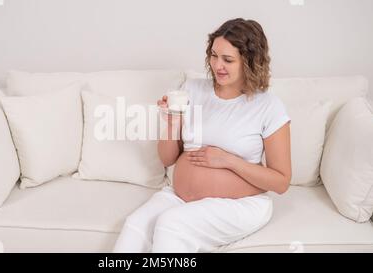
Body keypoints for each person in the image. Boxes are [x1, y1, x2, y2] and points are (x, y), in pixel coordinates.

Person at [113, 18, 292, 253]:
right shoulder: (192, 90)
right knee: (135, 226)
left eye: (228, 59)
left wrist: (228, 160)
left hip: (240, 205)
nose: (218, 65)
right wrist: (172, 121)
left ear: (249, 61)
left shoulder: (268, 106)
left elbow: (280, 182)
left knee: (171, 225)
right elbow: (167, 159)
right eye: (214, 55)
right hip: (179, 195)